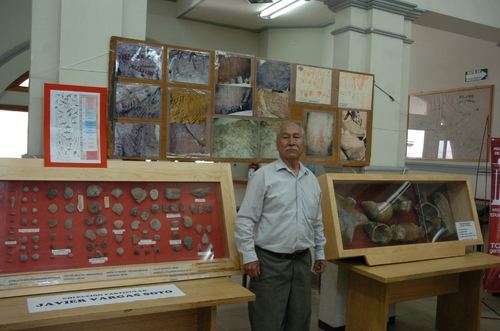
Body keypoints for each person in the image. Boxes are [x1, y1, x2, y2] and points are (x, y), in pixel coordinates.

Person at [234, 122, 327, 331]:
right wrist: (249, 256)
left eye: (296, 137)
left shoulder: (311, 180)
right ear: (277, 144)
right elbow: (244, 219)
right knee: (267, 323)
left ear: (303, 143)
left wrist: (320, 252)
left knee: (300, 322)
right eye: (286, 137)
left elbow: (317, 221)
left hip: (302, 263)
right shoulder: (263, 176)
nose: (291, 142)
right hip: (269, 264)